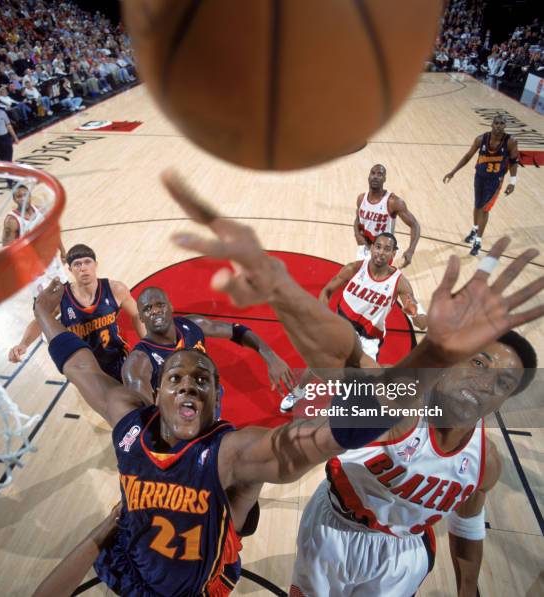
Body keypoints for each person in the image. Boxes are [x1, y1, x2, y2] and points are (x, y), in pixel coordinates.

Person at [30, 170, 543, 596]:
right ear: (155, 389)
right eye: (179, 377)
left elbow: (321, 436)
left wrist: (428, 351)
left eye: (203, 377)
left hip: (389, 551)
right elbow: (79, 368)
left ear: (216, 398)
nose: (190, 383)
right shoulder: (129, 415)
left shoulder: (229, 450)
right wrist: (44, 316)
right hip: (328, 527)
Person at [290, 330, 537, 597]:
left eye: (503, 383)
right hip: (333, 527)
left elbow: (467, 524)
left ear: (504, 402)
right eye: (478, 363)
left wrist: (467, 589)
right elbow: (342, 365)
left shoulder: (485, 463)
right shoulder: (397, 401)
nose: (486, 383)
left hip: (402, 553)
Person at [280, 232, 427, 412]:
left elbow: (420, 322)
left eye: (387, 249)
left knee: (366, 383)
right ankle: (299, 391)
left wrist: (417, 314)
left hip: (369, 338)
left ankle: (353, 413)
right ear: (372, 248)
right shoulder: (354, 269)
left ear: (393, 254)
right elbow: (327, 291)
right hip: (342, 326)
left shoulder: (400, 283)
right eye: (378, 247)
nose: (381, 252)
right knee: (317, 365)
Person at [122, 286, 296, 399]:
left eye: (160, 305)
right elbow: (144, 417)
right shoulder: (139, 361)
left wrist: (270, 357)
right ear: (142, 318)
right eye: (147, 309)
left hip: (208, 397)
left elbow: (237, 331)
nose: (155, 311)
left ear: (171, 307)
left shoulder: (192, 325)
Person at [8, 244, 139, 383]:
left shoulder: (115, 289)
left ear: (96, 264)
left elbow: (137, 315)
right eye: (77, 264)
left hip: (118, 358)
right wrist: (23, 344)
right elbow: (40, 320)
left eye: (87, 262)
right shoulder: (61, 297)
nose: (83, 268)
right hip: (86, 369)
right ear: (70, 270)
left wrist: (148, 342)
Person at [443, 113, 519, 256]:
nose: (499, 126)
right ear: (491, 124)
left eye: (502, 123)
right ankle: (474, 228)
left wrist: (512, 182)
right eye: (496, 123)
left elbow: (514, 162)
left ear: (505, 126)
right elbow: (467, 156)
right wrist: (453, 172)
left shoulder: (510, 142)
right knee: (477, 206)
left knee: (485, 209)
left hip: (495, 180)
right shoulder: (480, 139)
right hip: (480, 177)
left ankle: (478, 241)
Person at [2, 185, 67, 297]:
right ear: (14, 199)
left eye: (25, 195)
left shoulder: (41, 210)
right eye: (19, 196)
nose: (23, 198)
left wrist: (62, 250)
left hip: (50, 259)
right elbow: (7, 247)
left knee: (65, 291)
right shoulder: (12, 221)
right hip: (31, 265)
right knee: (43, 301)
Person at [354, 164, 421, 268]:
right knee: (358, 279)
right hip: (364, 248)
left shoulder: (393, 202)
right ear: (368, 177)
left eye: (380, 174)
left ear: (384, 179)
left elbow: (415, 225)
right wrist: (357, 234)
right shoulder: (361, 198)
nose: (375, 176)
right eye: (373, 173)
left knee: (376, 282)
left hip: (382, 252)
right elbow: (357, 218)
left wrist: (411, 250)